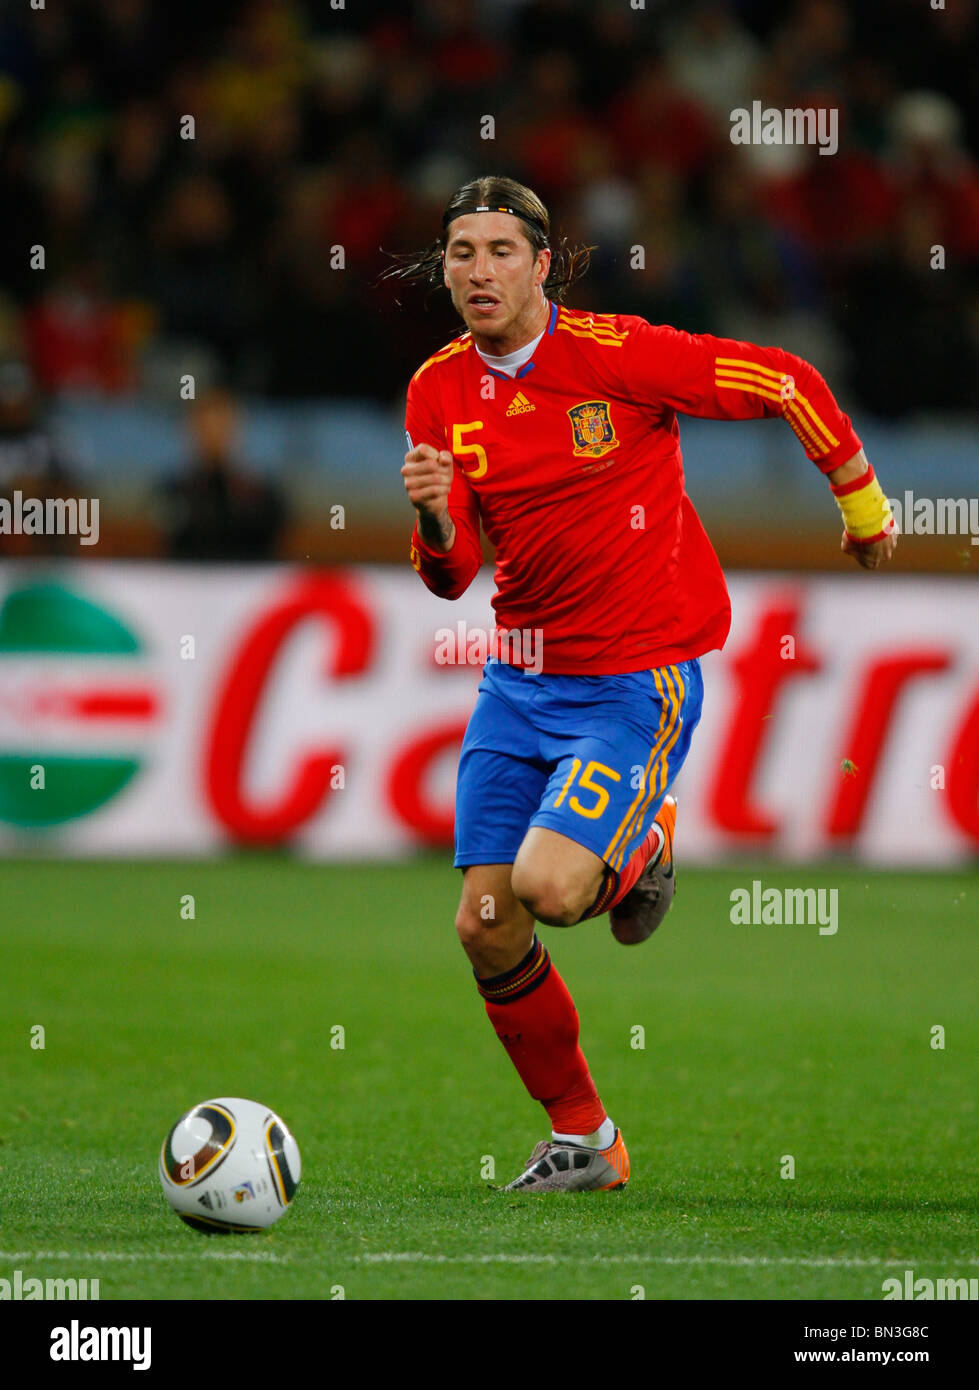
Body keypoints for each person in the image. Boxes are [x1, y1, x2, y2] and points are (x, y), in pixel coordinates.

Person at [395, 175, 896, 1193]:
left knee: (548, 888)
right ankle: (586, 1140)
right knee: (486, 924)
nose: (478, 271)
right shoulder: (436, 390)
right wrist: (438, 522)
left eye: (500, 251)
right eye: (460, 253)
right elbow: (452, 575)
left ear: (544, 263)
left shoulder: (619, 357)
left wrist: (860, 500)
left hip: (634, 675)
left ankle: (646, 837)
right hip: (518, 678)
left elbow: (785, 378)